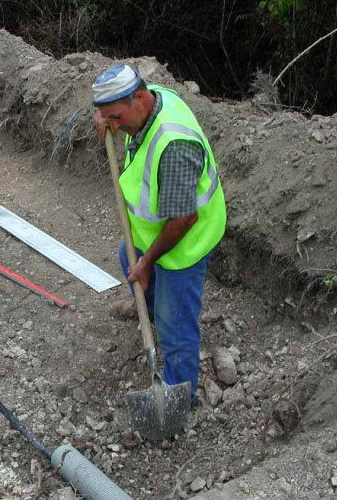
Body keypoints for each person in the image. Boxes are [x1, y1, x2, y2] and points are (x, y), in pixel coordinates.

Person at [92, 64, 226, 412]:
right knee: (127, 258)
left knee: (176, 326)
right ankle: (148, 308)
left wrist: (148, 262)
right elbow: (115, 115)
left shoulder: (175, 146)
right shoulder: (149, 100)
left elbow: (183, 219)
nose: (115, 126)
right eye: (109, 118)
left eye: (117, 118)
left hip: (186, 240)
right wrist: (106, 120)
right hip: (153, 228)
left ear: (139, 98)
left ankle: (178, 397)